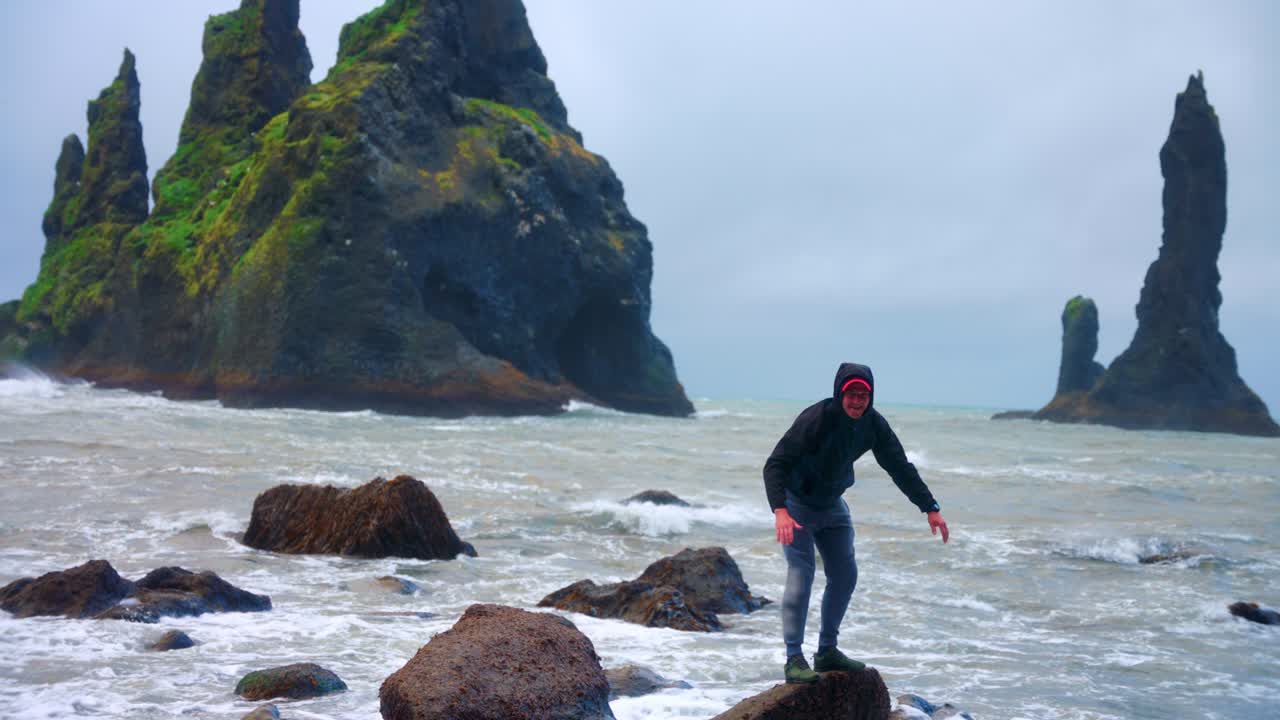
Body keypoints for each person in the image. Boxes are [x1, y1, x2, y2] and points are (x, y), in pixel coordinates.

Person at [763, 362, 949, 683]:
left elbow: (899, 466)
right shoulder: (817, 419)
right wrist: (780, 509)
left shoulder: (873, 424)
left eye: (864, 395)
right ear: (840, 393)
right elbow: (775, 464)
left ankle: (826, 651)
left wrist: (929, 507)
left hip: (833, 506)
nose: (857, 401)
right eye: (851, 394)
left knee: (846, 573)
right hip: (797, 505)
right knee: (802, 573)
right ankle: (794, 658)